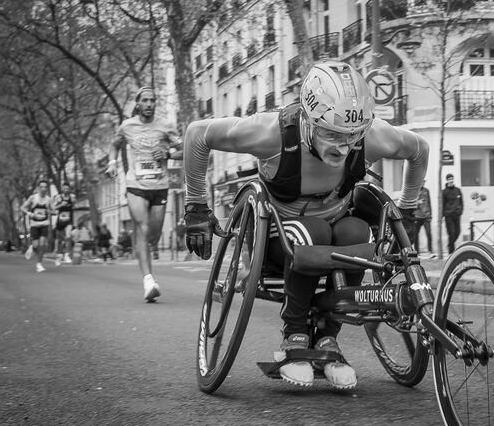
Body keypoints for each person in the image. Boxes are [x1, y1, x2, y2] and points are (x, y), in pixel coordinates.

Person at [183, 61, 429, 390]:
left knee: (357, 231)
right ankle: (295, 333)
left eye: (351, 137)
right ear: (308, 119)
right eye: (331, 134)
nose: (342, 147)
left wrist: (408, 209)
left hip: (334, 225)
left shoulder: (372, 137)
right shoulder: (271, 132)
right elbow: (198, 135)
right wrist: (196, 206)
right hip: (275, 231)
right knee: (315, 232)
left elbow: (419, 150)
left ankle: (328, 337)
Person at [106, 86, 182, 302]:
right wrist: (112, 163)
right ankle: (148, 280)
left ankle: (145, 254)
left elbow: (184, 147)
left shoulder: (166, 126)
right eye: (145, 101)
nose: (149, 104)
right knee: (142, 226)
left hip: (160, 186)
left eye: (152, 100)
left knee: (153, 235)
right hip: (135, 185)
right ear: (137, 104)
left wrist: (168, 153)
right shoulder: (127, 126)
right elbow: (114, 145)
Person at [21, 179, 53, 273]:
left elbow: (54, 211)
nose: (43, 189)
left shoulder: (49, 199)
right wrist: (29, 213)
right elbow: (22, 207)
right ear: (38, 188)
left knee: (42, 244)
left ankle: (39, 264)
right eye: (41, 187)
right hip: (34, 224)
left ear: (47, 189)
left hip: (44, 223)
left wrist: (49, 211)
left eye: (45, 187)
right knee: (36, 245)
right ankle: (32, 247)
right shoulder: (33, 198)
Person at [51, 181, 76, 266]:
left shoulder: (72, 197)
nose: (66, 190)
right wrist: (61, 205)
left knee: (68, 236)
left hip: (68, 220)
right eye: (64, 188)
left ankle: (67, 255)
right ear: (62, 189)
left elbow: (74, 206)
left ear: (69, 189)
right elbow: (53, 208)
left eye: (67, 188)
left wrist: (73, 203)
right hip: (60, 221)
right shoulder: (58, 197)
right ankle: (59, 258)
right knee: (60, 241)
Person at [441, 174, 463, 254]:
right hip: (448, 215)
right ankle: (451, 251)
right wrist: (443, 215)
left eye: (452, 179)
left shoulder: (458, 190)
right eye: (449, 179)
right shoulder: (444, 192)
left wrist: (460, 211)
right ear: (447, 180)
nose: (451, 180)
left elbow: (461, 202)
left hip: (457, 215)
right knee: (452, 233)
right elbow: (442, 204)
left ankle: (450, 245)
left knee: (458, 232)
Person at [413, 182, 435, 257]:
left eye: (424, 182)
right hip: (417, 216)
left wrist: (430, 214)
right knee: (415, 235)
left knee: (429, 234)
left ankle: (430, 251)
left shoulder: (426, 191)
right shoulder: (414, 191)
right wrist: (417, 202)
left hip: (426, 216)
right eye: (421, 181)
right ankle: (416, 252)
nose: (422, 183)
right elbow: (411, 202)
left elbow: (429, 203)